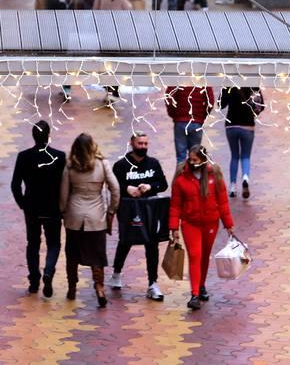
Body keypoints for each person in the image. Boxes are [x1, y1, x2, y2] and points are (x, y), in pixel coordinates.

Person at [168, 144, 235, 310]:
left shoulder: (215, 175)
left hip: (210, 223)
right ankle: (195, 294)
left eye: (195, 160)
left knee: (205, 256)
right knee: (195, 255)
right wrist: (174, 227)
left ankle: (202, 285)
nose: (192, 162)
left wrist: (229, 225)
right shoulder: (181, 177)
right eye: (190, 159)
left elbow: (222, 202)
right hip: (190, 223)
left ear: (203, 160)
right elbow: (175, 205)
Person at [60, 133, 120, 307]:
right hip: (96, 218)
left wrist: (63, 212)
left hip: (74, 217)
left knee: (72, 254)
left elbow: (64, 195)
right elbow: (115, 188)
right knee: (97, 256)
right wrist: (111, 211)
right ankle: (99, 287)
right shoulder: (102, 164)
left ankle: (72, 288)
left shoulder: (70, 167)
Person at [109, 132, 169, 301]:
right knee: (126, 240)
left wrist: (149, 186)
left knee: (152, 244)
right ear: (132, 143)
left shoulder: (153, 163)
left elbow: (163, 184)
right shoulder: (121, 165)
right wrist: (127, 188)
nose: (143, 146)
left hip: (150, 209)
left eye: (145, 144)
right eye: (140, 143)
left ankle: (152, 283)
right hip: (128, 209)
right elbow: (113, 186)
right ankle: (116, 273)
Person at [11, 120, 66, 296]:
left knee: (33, 244)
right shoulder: (59, 156)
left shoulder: (24, 156)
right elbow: (65, 184)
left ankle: (34, 279)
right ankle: (48, 271)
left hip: (32, 208)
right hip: (53, 207)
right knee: (54, 243)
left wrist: (23, 204)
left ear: (33, 136)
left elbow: (15, 184)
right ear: (48, 136)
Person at [220, 87, 263, 199]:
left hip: (231, 125)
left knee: (234, 156)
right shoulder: (253, 85)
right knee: (245, 156)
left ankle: (233, 186)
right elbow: (260, 106)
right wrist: (253, 113)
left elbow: (220, 104)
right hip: (247, 125)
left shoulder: (229, 84)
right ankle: (245, 177)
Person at [165, 85, 213, 165]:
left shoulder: (178, 77)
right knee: (196, 155)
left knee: (181, 157)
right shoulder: (202, 78)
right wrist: (202, 115)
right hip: (196, 122)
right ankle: (195, 176)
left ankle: (181, 176)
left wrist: (174, 114)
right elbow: (210, 101)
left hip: (180, 122)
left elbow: (169, 97)